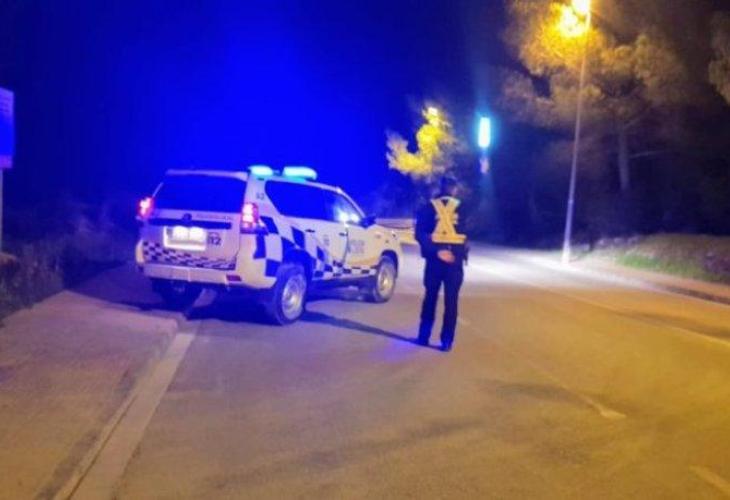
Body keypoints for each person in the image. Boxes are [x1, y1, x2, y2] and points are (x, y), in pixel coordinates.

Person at [415, 176, 468, 352]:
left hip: (434, 261)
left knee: (430, 298)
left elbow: (420, 234)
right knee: (451, 302)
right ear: (454, 189)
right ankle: (447, 341)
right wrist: (456, 254)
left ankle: (423, 336)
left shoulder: (429, 208)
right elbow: (467, 235)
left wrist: (436, 251)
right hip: (454, 262)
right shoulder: (463, 209)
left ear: (441, 188)